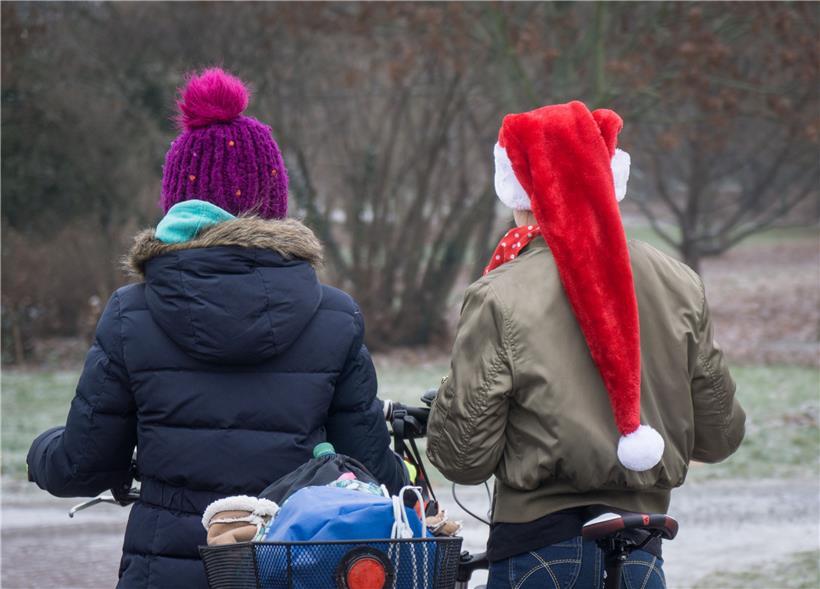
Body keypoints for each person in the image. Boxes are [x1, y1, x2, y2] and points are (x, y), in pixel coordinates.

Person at [26, 68, 407, 588]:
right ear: (274, 204)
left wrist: (41, 451)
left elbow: (84, 464)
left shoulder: (129, 314)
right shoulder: (334, 316)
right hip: (289, 567)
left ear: (176, 205)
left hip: (164, 569)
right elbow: (369, 473)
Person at [425, 101, 745, 589]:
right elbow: (720, 435)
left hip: (539, 547)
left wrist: (449, 399)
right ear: (608, 183)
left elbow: (463, 459)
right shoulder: (678, 282)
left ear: (519, 191)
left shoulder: (500, 292)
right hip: (641, 548)